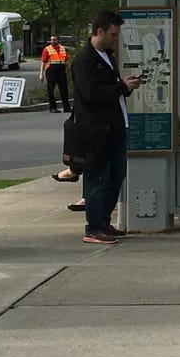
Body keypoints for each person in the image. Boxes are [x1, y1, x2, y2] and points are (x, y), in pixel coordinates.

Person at [70, 12, 140, 245]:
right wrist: (121, 87)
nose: (115, 39)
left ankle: (103, 221)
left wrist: (125, 87)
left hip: (115, 125)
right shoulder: (84, 61)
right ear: (99, 31)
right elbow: (91, 94)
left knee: (116, 174)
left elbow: (109, 89)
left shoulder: (107, 57)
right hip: (96, 130)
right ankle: (94, 226)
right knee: (97, 177)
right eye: (112, 34)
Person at [39, 34, 72, 115]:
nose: (52, 41)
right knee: (51, 89)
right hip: (51, 70)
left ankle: (66, 107)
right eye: (51, 40)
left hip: (61, 70)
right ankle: (53, 107)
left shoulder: (62, 49)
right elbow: (43, 62)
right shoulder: (47, 49)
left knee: (64, 89)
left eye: (54, 40)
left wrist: (71, 70)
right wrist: (41, 74)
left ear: (58, 40)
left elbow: (67, 61)